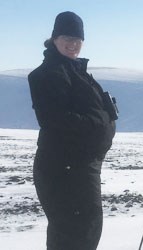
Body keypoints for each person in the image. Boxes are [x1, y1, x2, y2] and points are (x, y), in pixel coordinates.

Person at [28, 11, 116, 250]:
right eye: (67, 37)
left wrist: (105, 115)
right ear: (55, 38)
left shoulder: (77, 71)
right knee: (76, 233)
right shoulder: (46, 74)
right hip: (64, 168)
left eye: (77, 39)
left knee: (81, 231)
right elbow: (54, 120)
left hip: (81, 166)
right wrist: (100, 121)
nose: (73, 44)